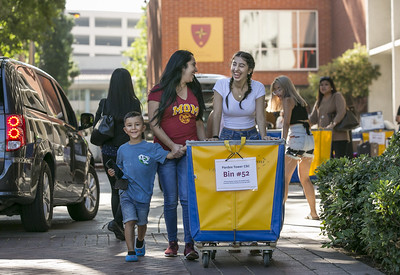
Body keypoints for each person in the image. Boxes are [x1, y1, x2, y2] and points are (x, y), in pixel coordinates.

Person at [148, 50, 206, 260]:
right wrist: (172, 146)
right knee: (170, 200)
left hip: (189, 153)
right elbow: (153, 124)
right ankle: (172, 243)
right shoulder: (159, 91)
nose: (195, 69)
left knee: (188, 198)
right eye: (193, 65)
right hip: (167, 154)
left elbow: (199, 121)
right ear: (181, 66)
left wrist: (202, 147)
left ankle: (189, 245)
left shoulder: (194, 88)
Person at [107, 111, 173, 262]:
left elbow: (168, 155)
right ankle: (130, 252)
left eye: (137, 125)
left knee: (141, 223)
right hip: (126, 192)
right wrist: (113, 172)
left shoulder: (152, 148)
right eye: (129, 125)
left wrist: (180, 150)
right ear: (125, 130)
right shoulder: (122, 149)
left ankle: (140, 242)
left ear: (144, 128)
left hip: (144, 194)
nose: (133, 128)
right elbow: (119, 168)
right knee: (129, 221)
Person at [94, 68, 142, 241]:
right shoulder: (134, 104)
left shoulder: (104, 104)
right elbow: (138, 128)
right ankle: (118, 223)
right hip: (128, 152)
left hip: (109, 153)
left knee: (116, 190)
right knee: (129, 189)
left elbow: (96, 127)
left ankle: (119, 226)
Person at [268, 75, 319, 220]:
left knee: (284, 178)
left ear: (287, 87)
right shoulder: (300, 101)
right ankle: (313, 213)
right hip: (308, 138)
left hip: (296, 138)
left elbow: (286, 123)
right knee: (305, 178)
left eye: (279, 88)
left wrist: (282, 141)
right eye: (275, 90)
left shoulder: (287, 100)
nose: (277, 92)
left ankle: (279, 216)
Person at [211, 51, 267, 140]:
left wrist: (264, 136)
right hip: (227, 135)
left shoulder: (258, 87)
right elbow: (217, 114)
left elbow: (260, 116)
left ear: (249, 70)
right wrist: (215, 136)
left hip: (251, 136)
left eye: (241, 66)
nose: (236, 69)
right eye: (234, 64)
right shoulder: (221, 84)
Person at [309, 76, 350, 158]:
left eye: (326, 84)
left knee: (340, 162)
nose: (323, 87)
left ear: (331, 87)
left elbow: (341, 112)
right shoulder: (319, 101)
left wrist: (333, 124)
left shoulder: (336, 96)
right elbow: (312, 119)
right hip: (325, 136)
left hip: (338, 136)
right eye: (321, 85)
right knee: (326, 161)